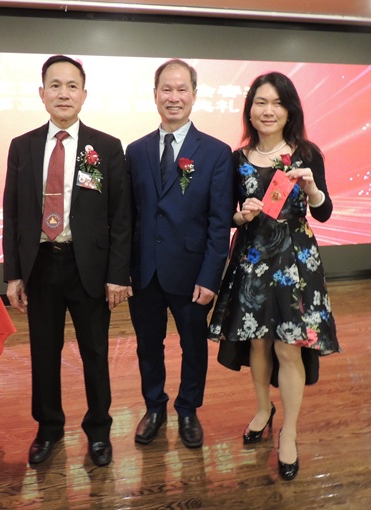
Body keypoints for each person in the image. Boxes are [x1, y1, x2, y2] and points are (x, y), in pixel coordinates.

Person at [208, 71, 341, 480]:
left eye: (277, 103)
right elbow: (226, 215)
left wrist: (312, 187)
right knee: (259, 343)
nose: (268, 111)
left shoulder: (307, 154)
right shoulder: (236, 159)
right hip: (252, 259)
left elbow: (323, 212)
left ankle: (290, 431)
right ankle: (263, 408)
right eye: (261, 103)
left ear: (290, 110)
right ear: (250, 110)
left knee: (289, 347)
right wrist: (241, 216)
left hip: (295, 263)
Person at [2, 55, 131, 468]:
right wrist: (13, 275)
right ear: (42, 93)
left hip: (88, 267)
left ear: (84, 94)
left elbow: (121, 217)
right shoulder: (22, 146)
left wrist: (117, 275)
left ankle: (99, 431)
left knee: (95, 352)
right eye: (55, 85)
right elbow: (12, 214)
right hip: (40, 264)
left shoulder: (106, 147)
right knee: (44, 352)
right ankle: (49, 428)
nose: (63, 93)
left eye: (71, 86)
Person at [126, 59, 234, 449]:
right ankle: (154, 406)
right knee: (147, 345)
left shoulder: (216, 153)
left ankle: (188, 409)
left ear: (194, 94)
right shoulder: (135, 151)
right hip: (144, 271)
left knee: (193, 346)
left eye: (181, 89)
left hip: (191, 273)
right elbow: (129, 216)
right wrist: (123, 271)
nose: (174, 97)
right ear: (155, 94)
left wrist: (210, 276)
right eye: (166, 89)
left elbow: (219, 222)